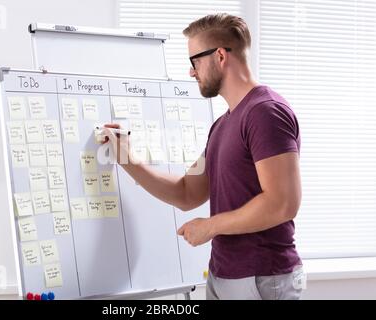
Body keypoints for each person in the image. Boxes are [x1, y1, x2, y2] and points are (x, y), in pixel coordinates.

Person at [102, 13, 304, 300]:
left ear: (220, 56)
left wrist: (210, 226)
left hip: (261, 277)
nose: (191, 72)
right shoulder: (222, 125)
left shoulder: (265, 113)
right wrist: (127, 159)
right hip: (223, 274)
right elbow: (187, 192)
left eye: (194, 61)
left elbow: (283, 203)